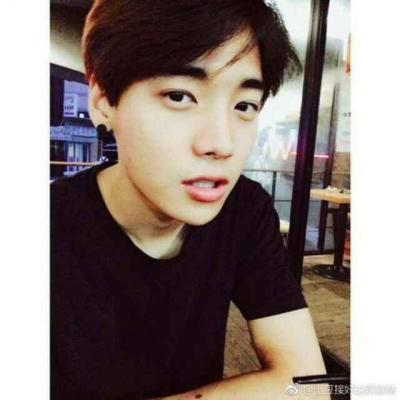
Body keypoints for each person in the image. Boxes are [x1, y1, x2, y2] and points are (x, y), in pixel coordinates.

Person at [51, 1, 329, 399]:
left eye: (244, 106)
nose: (221, 143)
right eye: (179, 96)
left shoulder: (243, 210)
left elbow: (309, 386)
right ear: (103, 101)